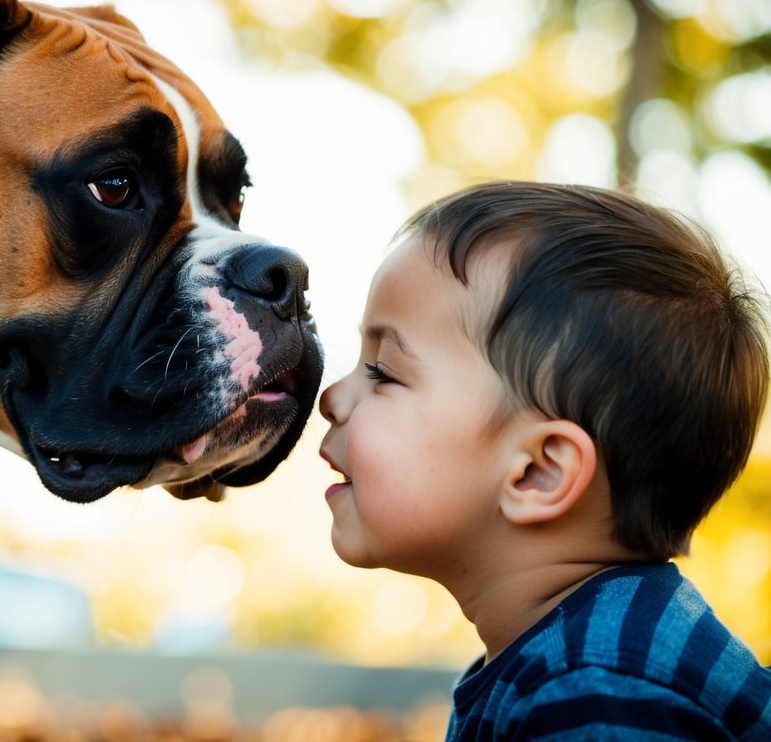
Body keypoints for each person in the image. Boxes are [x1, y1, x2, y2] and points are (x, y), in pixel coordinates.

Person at [319, 181, 771, 739]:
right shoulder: (572, 661)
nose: (331, 397)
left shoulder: (598, 696)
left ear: (539, 472)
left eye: (384, 373)